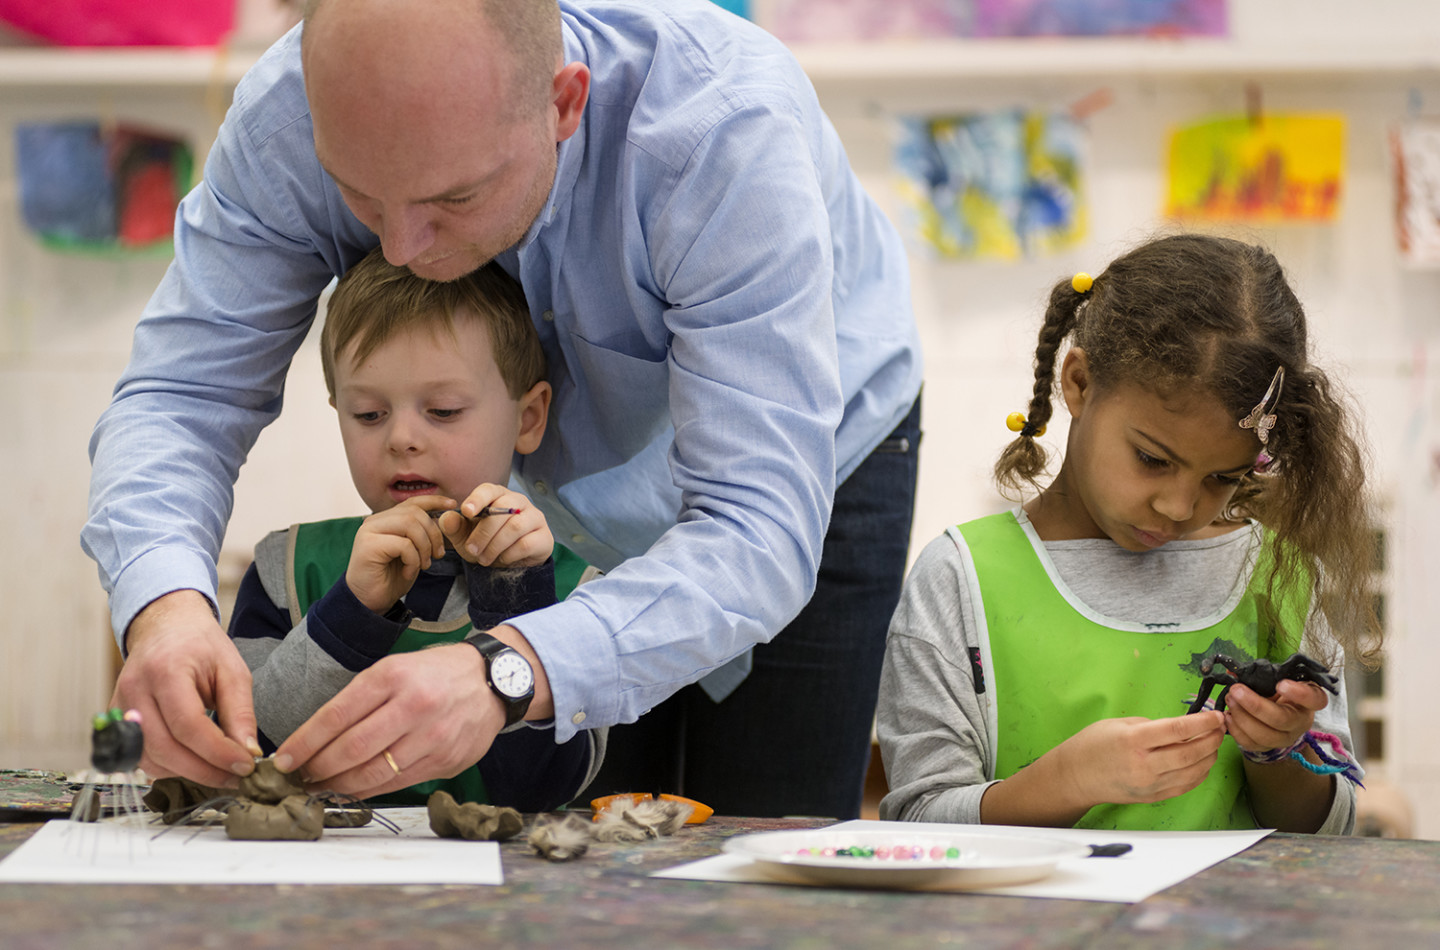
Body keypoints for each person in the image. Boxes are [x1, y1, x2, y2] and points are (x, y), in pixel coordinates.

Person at [83, 0, 922, 818]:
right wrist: (162, 612)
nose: (403, 250)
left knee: (762, 854)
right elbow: (182, 393)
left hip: (811, 467)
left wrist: (507, 669)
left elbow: (756, 526)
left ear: (564, 103)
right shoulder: (291, 117)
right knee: (577, 860)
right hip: (548, 511)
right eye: (363, 201)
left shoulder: (721, 130)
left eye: (452, 198)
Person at [877, 234, 1376, 832]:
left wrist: (1276, 752)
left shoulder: (1282, 580)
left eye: (1222, 476)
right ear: (1079, 383)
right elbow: (919, 823)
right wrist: (1069, 782)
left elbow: (1330, 834)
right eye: (1152, 459)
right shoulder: (962, 579)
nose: (1178, 504)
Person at [227, 248, 601, 811]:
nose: (401, 438)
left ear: (527, 419)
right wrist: (349, 614)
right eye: (369, 415)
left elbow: (543, 792)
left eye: (444, 410)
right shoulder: (290, 564)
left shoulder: (580, 591)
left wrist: (516, 606)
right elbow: (247, 756)